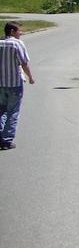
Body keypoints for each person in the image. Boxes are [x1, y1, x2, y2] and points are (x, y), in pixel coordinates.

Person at [0, 21, 35, 151]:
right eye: (19, 30)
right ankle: (7, 140)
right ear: (12, 31)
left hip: (1, 84)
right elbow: (24, 63)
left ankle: (0, 135)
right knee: (13, 111)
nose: (21, 33)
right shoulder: (17, 43)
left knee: (1, 110)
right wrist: (30, 77)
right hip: (14, 83)